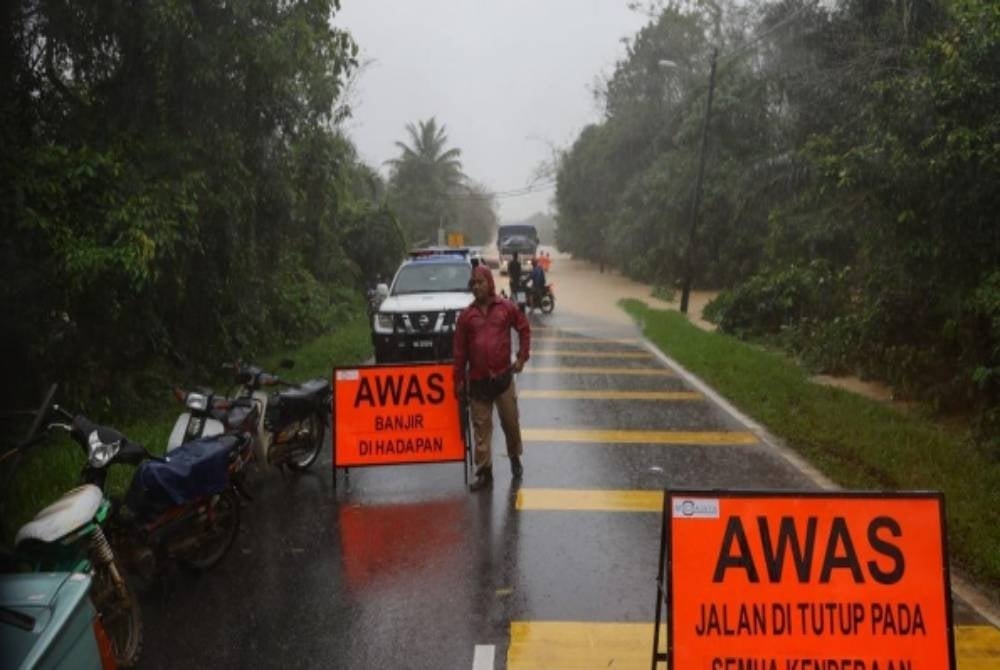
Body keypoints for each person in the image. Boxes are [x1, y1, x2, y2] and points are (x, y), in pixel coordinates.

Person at [453, 265, 531, 492]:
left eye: (480, 282)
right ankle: (484, 471)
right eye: (473, 283)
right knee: (481, 429)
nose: (476, 286)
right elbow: (459, 352)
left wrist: (522, 357)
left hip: (503, 379)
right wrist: (458, 380)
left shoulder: (505, 308)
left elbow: (524, 328)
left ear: (490, 283)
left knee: (510, 423)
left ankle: (515, 458)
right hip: (478, 381)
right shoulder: (466, 317)